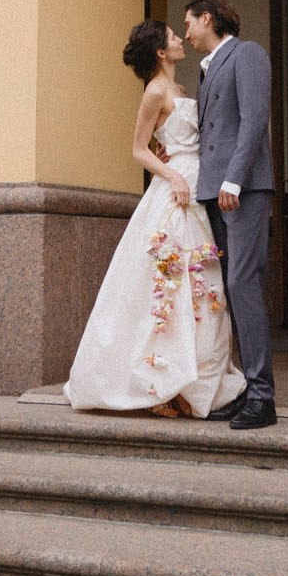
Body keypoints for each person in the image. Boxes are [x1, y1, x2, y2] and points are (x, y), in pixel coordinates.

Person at [61, 21, 246, 418]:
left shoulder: (181, 88)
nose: (180, 38)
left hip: (199, 188)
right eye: (172, 36)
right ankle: (159, 381)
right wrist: (173, 175)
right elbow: (138, 149)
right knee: (170, 281)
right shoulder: (155, 92)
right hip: (175, 192)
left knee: (202, 279)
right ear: (161, 52)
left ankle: (192, 381)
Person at [184, 0, 276, 430]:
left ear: (208, 18)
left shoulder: (248, 53)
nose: (186, 34)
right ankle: (244, 391)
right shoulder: (206, 69)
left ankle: (263, 397)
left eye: (189, 24)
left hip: (242, 190)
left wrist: (234, 180)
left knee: (243, 282)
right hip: (214, 193)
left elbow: (255, 119)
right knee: (231, 291)